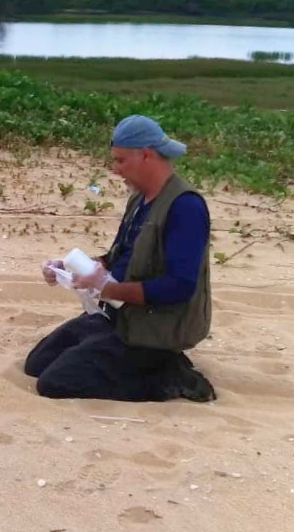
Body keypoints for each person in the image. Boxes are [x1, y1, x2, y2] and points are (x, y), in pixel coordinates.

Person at [24, 114, 216, 402]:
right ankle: (146, 363)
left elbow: (179, 286)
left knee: (55, 383)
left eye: (121, 160)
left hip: (154, 329)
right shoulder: (139, 199)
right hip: (119, 316)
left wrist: (107, 288)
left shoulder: (185, 207)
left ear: (146, 155)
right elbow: (121, 257)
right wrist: (69, 268)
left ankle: (169, 377)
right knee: (37, 364)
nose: (115, 170)